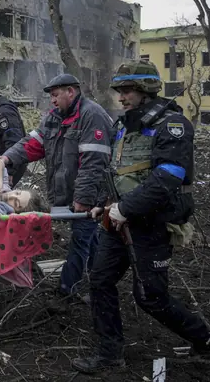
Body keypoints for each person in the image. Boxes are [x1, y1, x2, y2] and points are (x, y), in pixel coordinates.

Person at [72, 60, 210, 373]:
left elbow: (167, 178)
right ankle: (110, 354)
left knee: (150, 296)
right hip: (117, 221)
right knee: (100, 280)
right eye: (119, 91)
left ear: (146, 89)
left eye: (128, 90)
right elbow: (119, 172)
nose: (121, 97)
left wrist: (125, 208)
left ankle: (204, 338)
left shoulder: (172, 125)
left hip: (152, 223)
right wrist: (104, 203)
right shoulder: (125, 125)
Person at [0, 73, 113, 300]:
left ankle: (67, 289)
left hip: (89, 194)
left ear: (70, 92)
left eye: (55, 95)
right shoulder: (54, 117)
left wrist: (83, 199)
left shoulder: (92, 116)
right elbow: (32, 144)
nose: (52, 100)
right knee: (89, 238)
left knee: (81, 239)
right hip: (67, 192)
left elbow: (93, 164)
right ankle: (101, 277)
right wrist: (6, 159)